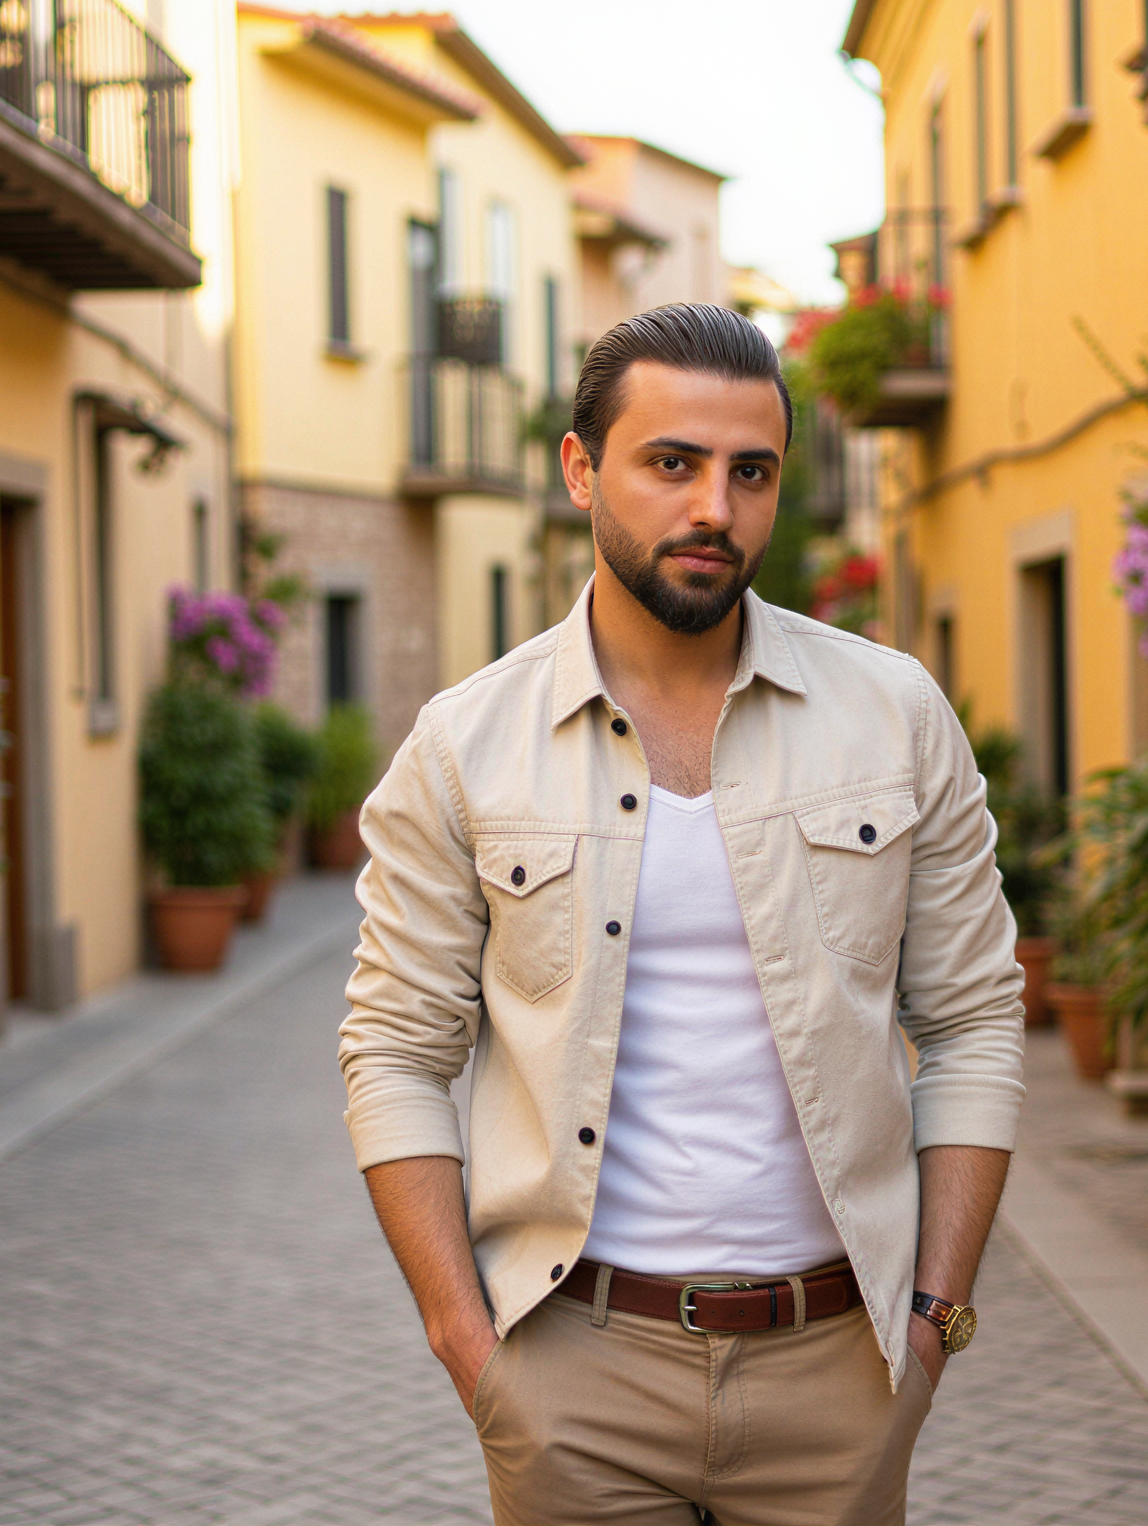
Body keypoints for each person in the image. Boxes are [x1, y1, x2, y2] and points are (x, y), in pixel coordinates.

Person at [338, 302, 1025, 1525]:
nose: (714, 506)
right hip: (571, 1371)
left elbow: (973, 1020)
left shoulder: (893, 714)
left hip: (840, 1366)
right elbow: (393, 1051)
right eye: (671, 463)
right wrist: (467, 1343)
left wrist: (929, 1323)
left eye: (748, 471)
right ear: (580, 468)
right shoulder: (465, 747)